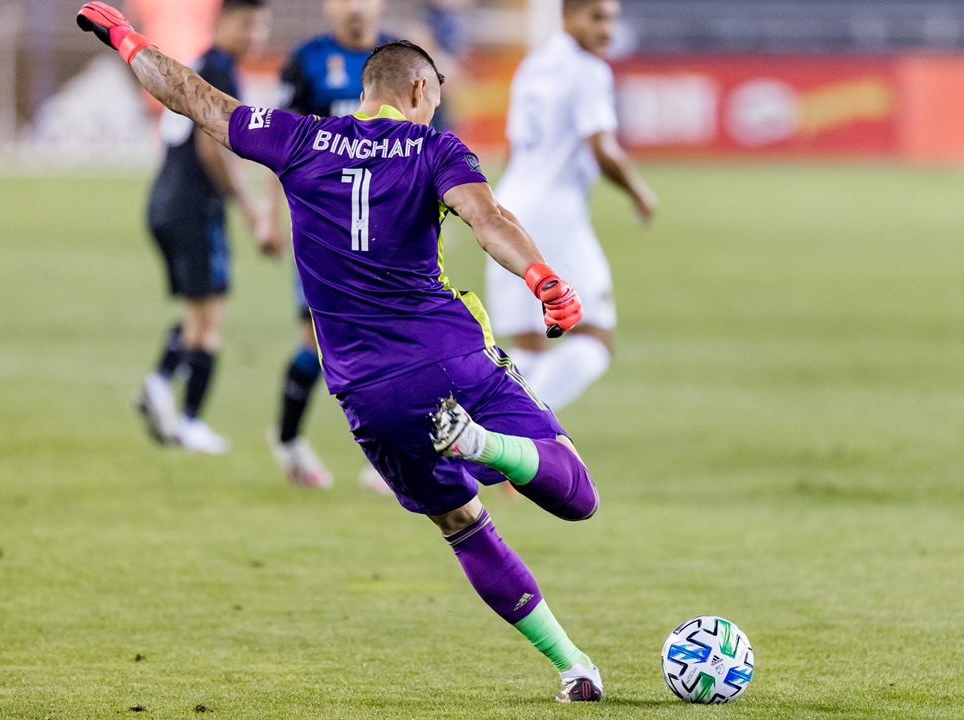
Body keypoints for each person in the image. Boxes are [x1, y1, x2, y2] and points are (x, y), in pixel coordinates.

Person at [78, 4, 605, 702]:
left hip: (367, 393)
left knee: (461, 524)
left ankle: (574, 668)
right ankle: (486, 445)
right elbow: (487, 217)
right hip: (450, 360)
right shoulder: (433, 149)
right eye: (437, 96)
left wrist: (126, 38)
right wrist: (541, 276)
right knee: (576, 494)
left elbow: (194, 98)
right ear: (419, 91)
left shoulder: (300, 139)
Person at [485, 0, 655, 412]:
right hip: (556, 215)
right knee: (596, 339)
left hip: (510, 207)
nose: (607, 29)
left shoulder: (533, 65)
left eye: (612, 19)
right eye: (596, 17)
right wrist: (638, 191)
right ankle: (508, 436)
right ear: (567, 17)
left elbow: (514, 148)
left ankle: (475, 440)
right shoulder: (588, 70)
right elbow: (602, 147)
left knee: (529, 343)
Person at [135, 0, 280, 454]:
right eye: (247, 24)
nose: (255, 35)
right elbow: (212, 148)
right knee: (209, 319)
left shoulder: (203, 63)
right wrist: (249, 205)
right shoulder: (219, 69)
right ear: (221, 22)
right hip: (193, 204)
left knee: (197, 315)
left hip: (165, 199)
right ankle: (187, 417)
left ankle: (160, 389)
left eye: (261, 26)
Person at [266, 0, 396, 490]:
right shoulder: (307, 60)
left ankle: (393, 457)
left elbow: (431, 142)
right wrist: (268, 214)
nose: (355, 8)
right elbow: (278, 142)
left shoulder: (402, 60)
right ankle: (289, 439)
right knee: (320, 341)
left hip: (386, 231)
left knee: (392, 339)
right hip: (320, 229)